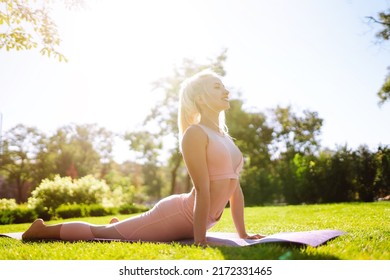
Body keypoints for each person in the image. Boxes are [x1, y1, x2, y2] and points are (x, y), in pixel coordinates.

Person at [22, 69, 264, 245]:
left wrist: (243, 234)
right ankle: (40, 231)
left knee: (118, 230)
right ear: (200, 98)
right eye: (217, 86)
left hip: (199, 217)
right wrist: (199, 240)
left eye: (223, 86)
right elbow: (202, 189)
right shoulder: (195, 134)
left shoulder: (226, 138)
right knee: (100, 234)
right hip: (179, 215)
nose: (226, 91)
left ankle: (119, 225)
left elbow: (235, 190)